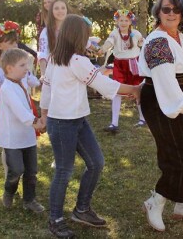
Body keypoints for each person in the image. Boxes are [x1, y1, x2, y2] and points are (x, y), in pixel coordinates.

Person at [39, 14, 140, 239]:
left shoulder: (62, 57)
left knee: (96, 162)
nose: (90, 40)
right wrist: (135, 89)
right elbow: (103, 85)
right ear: (77, 35)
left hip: (78, 120)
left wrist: (44, 113)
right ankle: (55, 220)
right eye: (87, 35)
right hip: (62, 123)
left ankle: (81, 210)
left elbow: (47, 87)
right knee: (63, 172)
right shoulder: (72, 60)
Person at [138, 0, 183, 232]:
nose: (171, 13)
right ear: (158, 11)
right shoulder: (157, 41)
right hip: (162, 99)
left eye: (176, 10)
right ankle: (154, 202)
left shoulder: (179, 36)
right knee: (179, 154)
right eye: (166, 9)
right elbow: (166, 80)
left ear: (182, 14)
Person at [0, 48, 45, 213]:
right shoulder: (7, 88)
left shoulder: (22, 82)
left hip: (27, 136)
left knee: (31, 171)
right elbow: (20, 110)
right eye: (22, 65)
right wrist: (35, 122)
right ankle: (9, 190)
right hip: (12, 138)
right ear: (9, 68)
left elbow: (34, 87)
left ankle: (29, 200)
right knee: (16, 170)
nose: (26, 68)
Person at [97, 9, 145, 132]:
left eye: (126, 20)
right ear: (117, 21)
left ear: (130, 22)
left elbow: (142, 44)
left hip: (133, 64)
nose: (123, 22)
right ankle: (114, 123)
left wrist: (144, 44)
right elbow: (109, 42)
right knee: (117, 91)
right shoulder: (114, 33)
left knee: (138, 90)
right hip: (120, 65)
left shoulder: (136, 33)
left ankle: (142, 118)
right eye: (121, 20)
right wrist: (102, 49)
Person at [38, 0, 68, 77]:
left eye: (63, 8)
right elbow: (42, 53)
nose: (60, 11)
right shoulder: (46, 32)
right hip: (55, 72)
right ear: (51, 11)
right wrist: (43, 74)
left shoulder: (73, 29)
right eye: (56, 8)